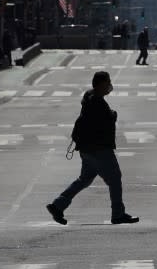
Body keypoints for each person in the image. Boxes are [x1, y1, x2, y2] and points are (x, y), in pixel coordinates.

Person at [46, 71, 140, 225]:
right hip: (99, 149)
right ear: (101, 84)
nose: (110, 85)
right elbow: (104, 121)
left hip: (86, 149)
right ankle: (118, 214)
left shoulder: (89, 97)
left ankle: (58, 205)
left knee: (84, 179)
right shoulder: (97, 102)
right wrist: (113, 115)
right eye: (107, 82)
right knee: (115, 179)